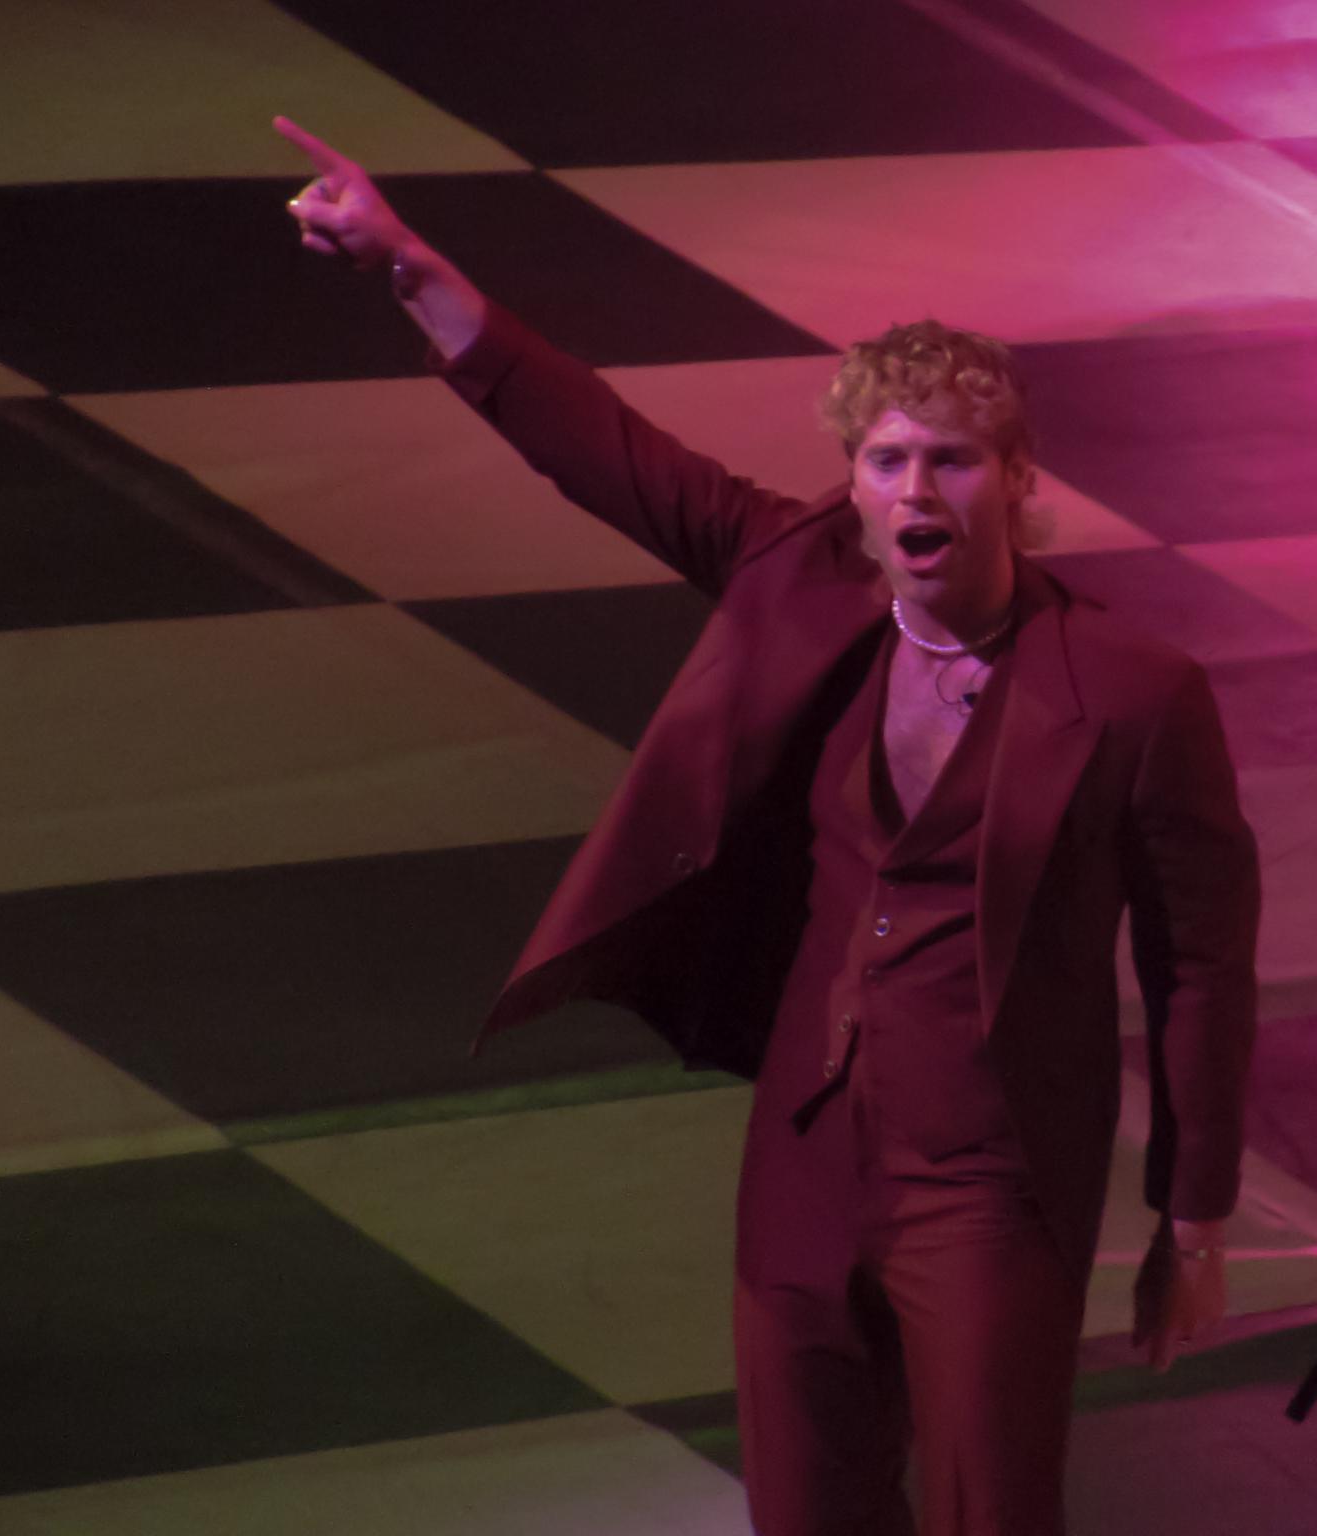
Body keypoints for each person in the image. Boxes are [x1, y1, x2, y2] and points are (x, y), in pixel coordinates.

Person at [277, 116, 1260, 1536]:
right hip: (803, 1158)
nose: (916, 492)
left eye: (953, 461)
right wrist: (410, 263)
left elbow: (1202, 968)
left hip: (988, 1179)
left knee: (991, 1513)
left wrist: (1195, 1221)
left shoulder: (1132, 690)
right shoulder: (800, 576)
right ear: (853, 480)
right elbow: (608, 449)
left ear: (1018, 477)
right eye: (887, 460)